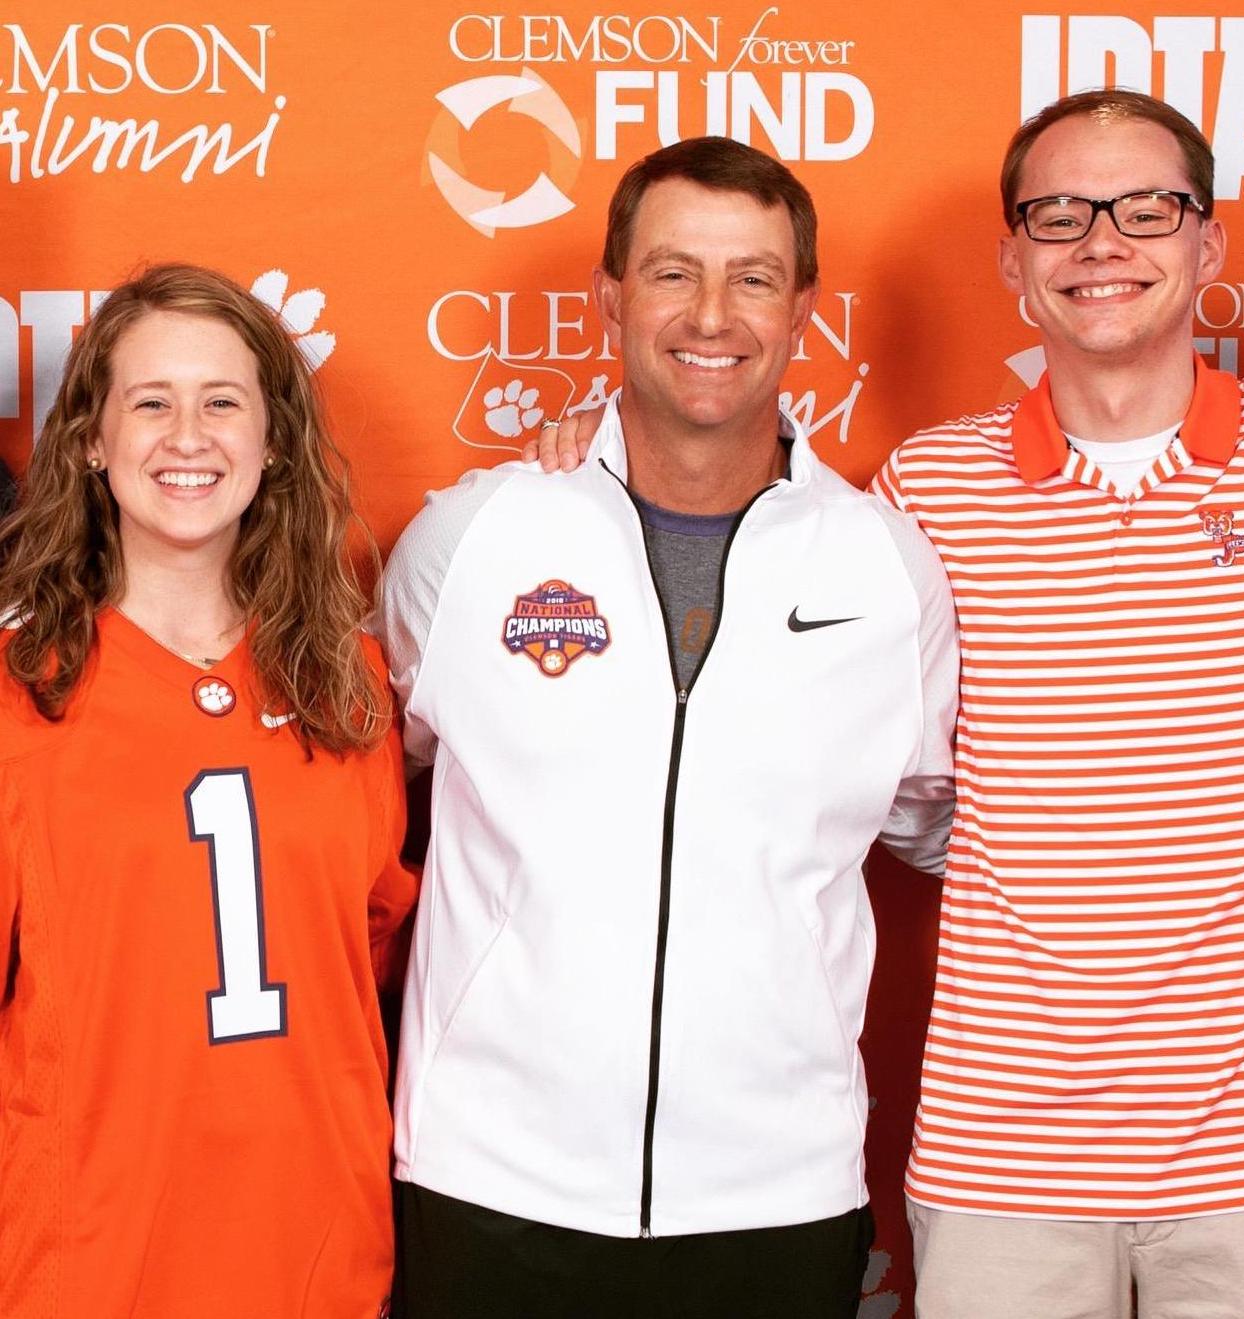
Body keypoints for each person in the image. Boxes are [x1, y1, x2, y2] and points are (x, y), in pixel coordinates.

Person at [535, 94, 1244, 1318]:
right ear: (1011, 261)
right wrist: (597, 454)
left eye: (1145, 209)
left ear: (1207, 242)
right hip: (1000, 1158)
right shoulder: (925, 490)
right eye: (1058, 214)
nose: (1099, 242)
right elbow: (888, 779)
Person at [377, 136, 958, 1319]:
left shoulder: (887, 568)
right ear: (609, 297)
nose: (710, 315)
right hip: (487, 1180)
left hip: (777, 1195)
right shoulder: (472, 539)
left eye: (752, 277)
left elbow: (935, 826)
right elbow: (367, 780)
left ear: (802, 309)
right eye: (671, 272)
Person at [0, 263, 417, 1319]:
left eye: (221, 401)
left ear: (272, 439)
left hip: (317, 1254)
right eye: (151, 402)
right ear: (90, 440)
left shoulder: (350, 685)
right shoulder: (18, 692)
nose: (187, 436)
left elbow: (367, 948)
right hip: (89, 1260)